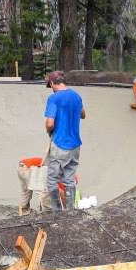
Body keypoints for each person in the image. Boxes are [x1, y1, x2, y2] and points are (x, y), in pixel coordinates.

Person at [44, 70, 85, 211]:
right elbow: (83, 114)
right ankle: (70, 211)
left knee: (52, 180)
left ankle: (56, 212)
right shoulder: (76, 96)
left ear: (52, 83)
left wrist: (49, 131)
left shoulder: (54, 98)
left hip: (60, 144)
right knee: (69, 179)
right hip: (75, 145)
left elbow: (50, 123)